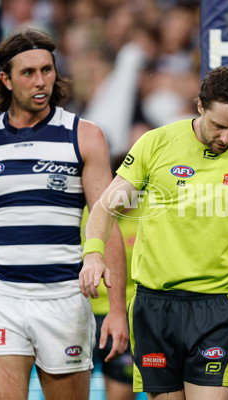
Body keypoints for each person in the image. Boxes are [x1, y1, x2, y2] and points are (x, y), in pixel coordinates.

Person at [80, 65, 228, 400]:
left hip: (213, 310)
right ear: (200, 106)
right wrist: (92, 255)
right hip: (153, 308)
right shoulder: (156, 144)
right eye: (219, 126)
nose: (226, 138)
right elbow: (105, 207)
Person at [0, 29, 128, 399]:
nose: (41, 81)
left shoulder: (84, 136)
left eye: (47, 69)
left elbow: (107, 226)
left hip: (64, 299)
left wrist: (118, 309)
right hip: (0, 299)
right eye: (28, 73)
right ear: (6, 79)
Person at [84, 153, 137, 400]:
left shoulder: (148, 217)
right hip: (82, 315)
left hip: (126, 316)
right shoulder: (89, 216)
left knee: (121, 394)